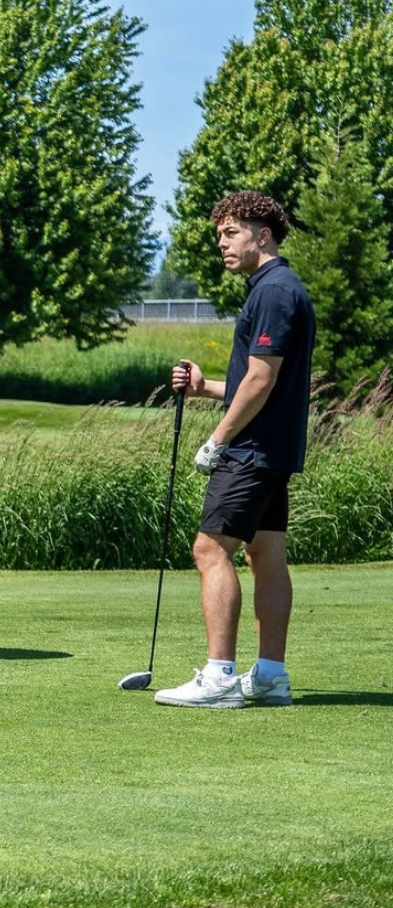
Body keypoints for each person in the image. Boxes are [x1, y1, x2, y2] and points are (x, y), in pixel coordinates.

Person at [155, 191, 315, 710]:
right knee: (265, 554)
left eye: (231, 233)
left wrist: (218, 437)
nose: (222, 244)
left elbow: (263, 380)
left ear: (261, 234)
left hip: (251, 450)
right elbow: (256, 379)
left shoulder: (272, 291)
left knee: (210, 549)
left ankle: (220, 675)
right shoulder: (278, 288)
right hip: (274, 449)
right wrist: (205, 388)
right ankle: (270, 674)